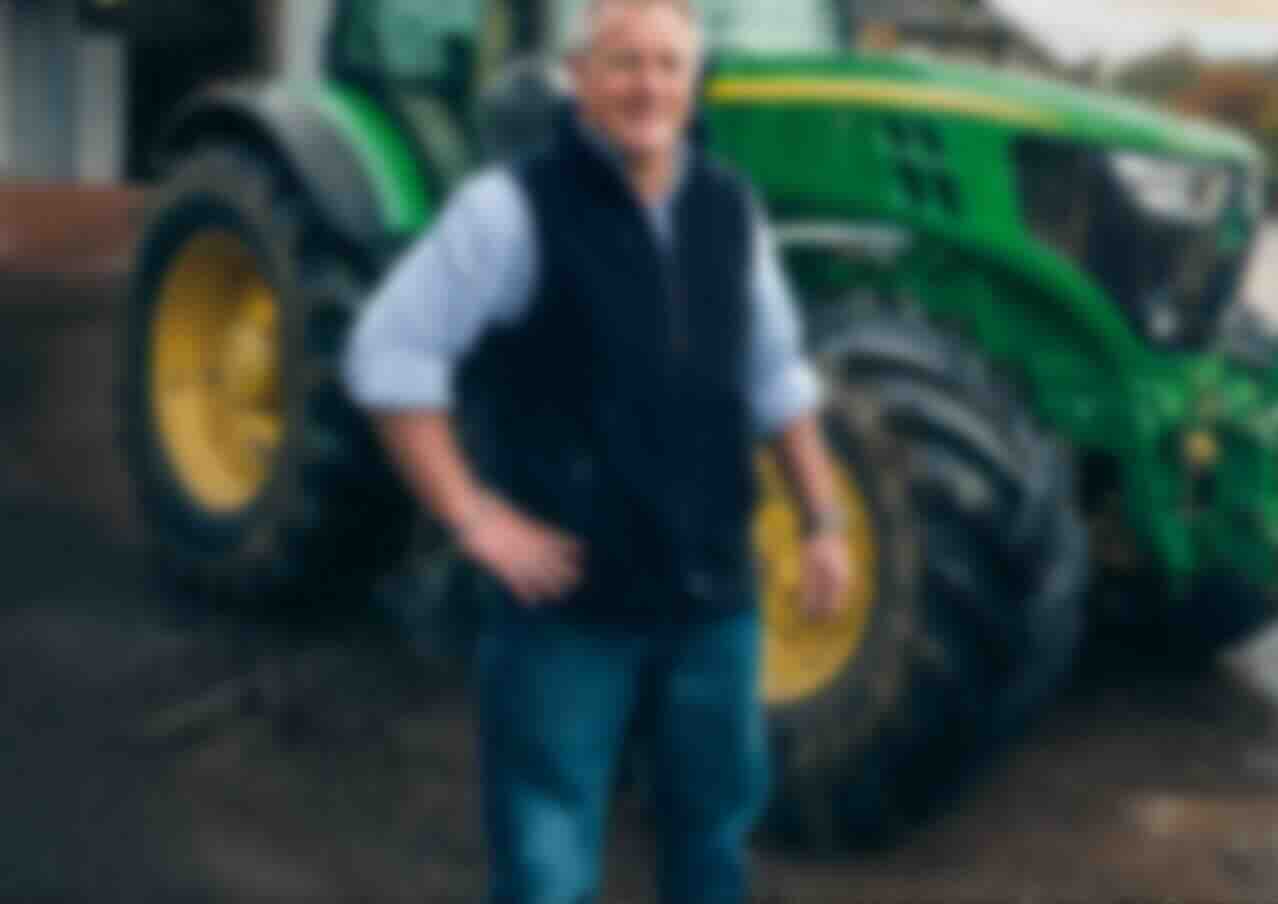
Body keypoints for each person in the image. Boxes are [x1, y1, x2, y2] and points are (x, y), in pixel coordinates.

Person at [341, 1, 853, 900]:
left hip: (713, 605)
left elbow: (776, 377)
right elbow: (388, 355)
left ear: (693, 82)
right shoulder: (509, 209)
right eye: (623, 63)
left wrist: (823, 519)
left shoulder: (730, 210)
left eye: (667, 65)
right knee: (547, 858)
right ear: (579, 77)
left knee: (712, 838)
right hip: (569, 612)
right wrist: (474, 517)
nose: (647, 86)